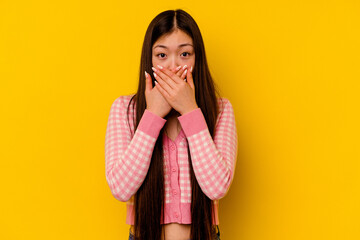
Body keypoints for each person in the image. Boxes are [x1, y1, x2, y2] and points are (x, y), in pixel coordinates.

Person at [105, 9, 238, 240]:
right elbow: (121, 188)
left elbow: (217, 187)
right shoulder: (125, 109)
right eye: (162, 55)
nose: (174, 66)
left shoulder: (221, 110)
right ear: (149, 59)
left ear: (198, 59)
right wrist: (153, 114)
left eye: (185, 54)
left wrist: (190, 110)